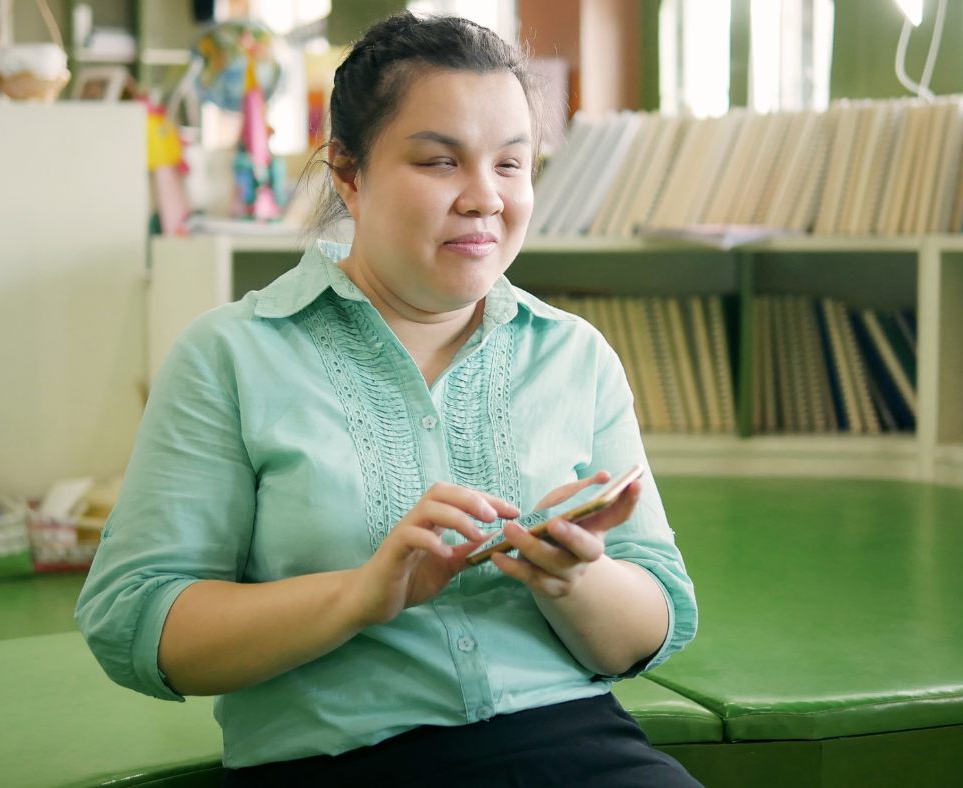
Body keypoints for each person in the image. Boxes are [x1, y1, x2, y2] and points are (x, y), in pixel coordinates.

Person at [76, 12, 698, 787]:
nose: (484, 198)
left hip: (578, 747)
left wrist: (573, 575)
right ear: (347, 171)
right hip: (334, 761)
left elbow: (650, 629)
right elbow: (136, 622)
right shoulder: (229, 356)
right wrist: (362, 594)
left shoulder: (575, 354)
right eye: (440, 162)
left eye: (512, 164)